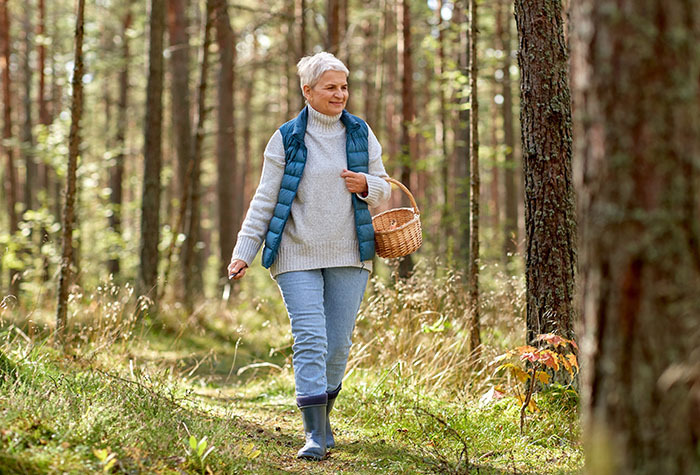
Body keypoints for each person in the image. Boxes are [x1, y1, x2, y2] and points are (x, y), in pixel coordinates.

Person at [228, 52, 391, 460]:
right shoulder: (286, 137)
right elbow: (266, 199)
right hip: (295, 252)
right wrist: (244, 251)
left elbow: (386, 188)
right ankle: (314, 434)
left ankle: (324, 415)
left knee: (337, 345)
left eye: (344, 87)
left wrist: (366, 184)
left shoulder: (360, 133)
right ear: (308, 91)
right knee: (311, 338)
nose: (340, 95)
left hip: (350, 250)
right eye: (331, 87)